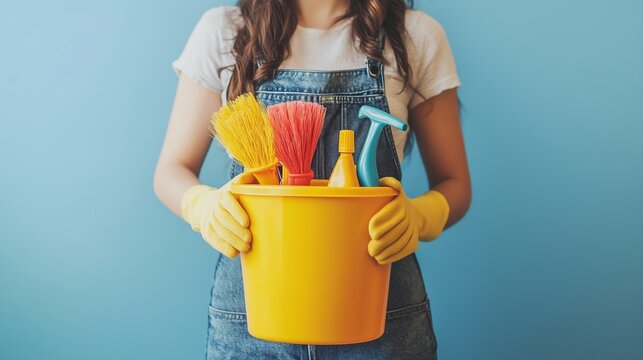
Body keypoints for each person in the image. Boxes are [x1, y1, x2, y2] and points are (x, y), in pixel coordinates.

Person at [153, 0, 471, 358]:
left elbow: (454, 182)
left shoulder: (416, 36)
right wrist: (203, 207)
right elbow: (171, 170)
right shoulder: (223, 31)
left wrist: (419, 217)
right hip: (252, 325)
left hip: (382, 322)